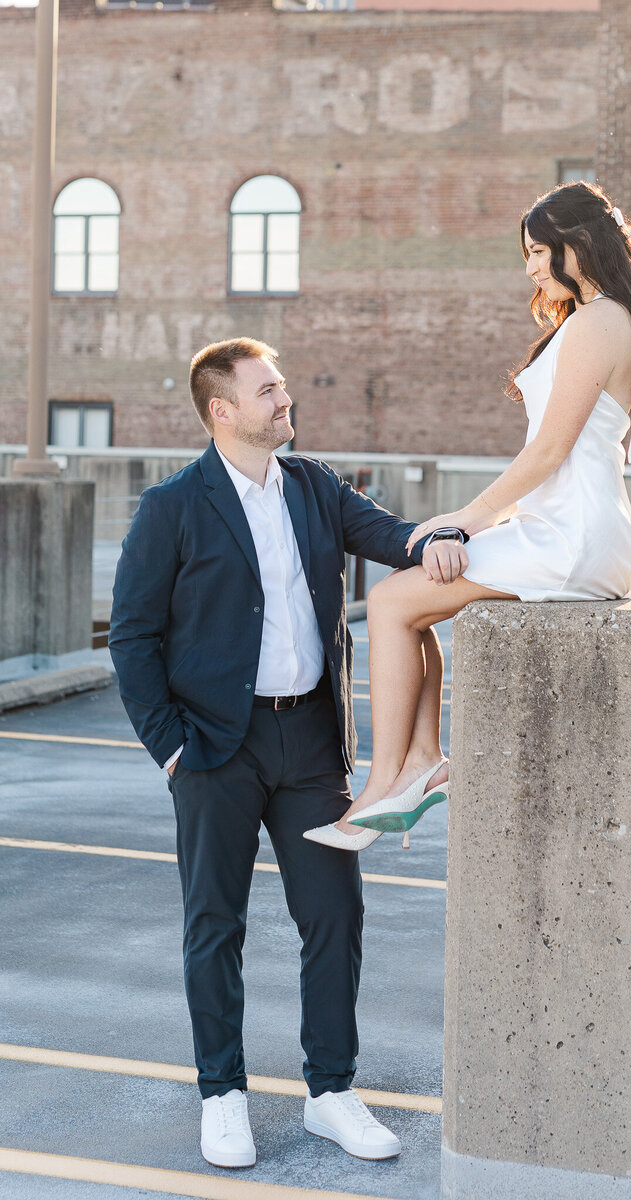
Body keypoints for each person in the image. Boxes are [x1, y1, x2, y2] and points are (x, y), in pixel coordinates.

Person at [108, 337, 468, 1169]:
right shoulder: (174, 506)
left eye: (283, 387)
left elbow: (387, 534)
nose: (285, 400)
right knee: (214, 924)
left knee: (335, 914)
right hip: (213, 749)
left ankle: (331, 1093)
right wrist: (170, 749)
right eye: (268, 391)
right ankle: (222, 1095)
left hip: (309, 741)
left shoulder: (314, 485)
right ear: (222, 411)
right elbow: (132, 636)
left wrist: (436, 540)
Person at [305, 181, 631, 849]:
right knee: (413, 602)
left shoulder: (597, 321)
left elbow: (551, 451)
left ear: (577, 245)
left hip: (573, 536)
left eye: (538, 252)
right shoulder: (601, 317)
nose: (531, 269)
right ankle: (419, 763)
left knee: (390, 602)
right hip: (569, 528)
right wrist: (487, 525)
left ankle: (387, 782)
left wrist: (466, 520)